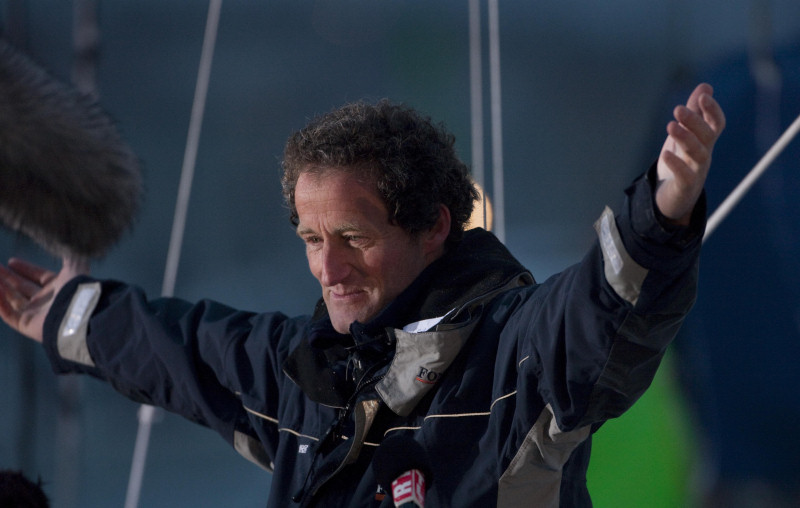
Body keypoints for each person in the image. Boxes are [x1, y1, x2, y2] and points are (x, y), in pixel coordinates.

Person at [0, 83, 724, 507]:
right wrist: (69, 313)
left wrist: (665, 211)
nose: (329, 268)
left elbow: (607, 310)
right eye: (313, 240)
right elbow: (185, 351)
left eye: (353, 236)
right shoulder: (306, 373)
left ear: (433, 226)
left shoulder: (516, 356)